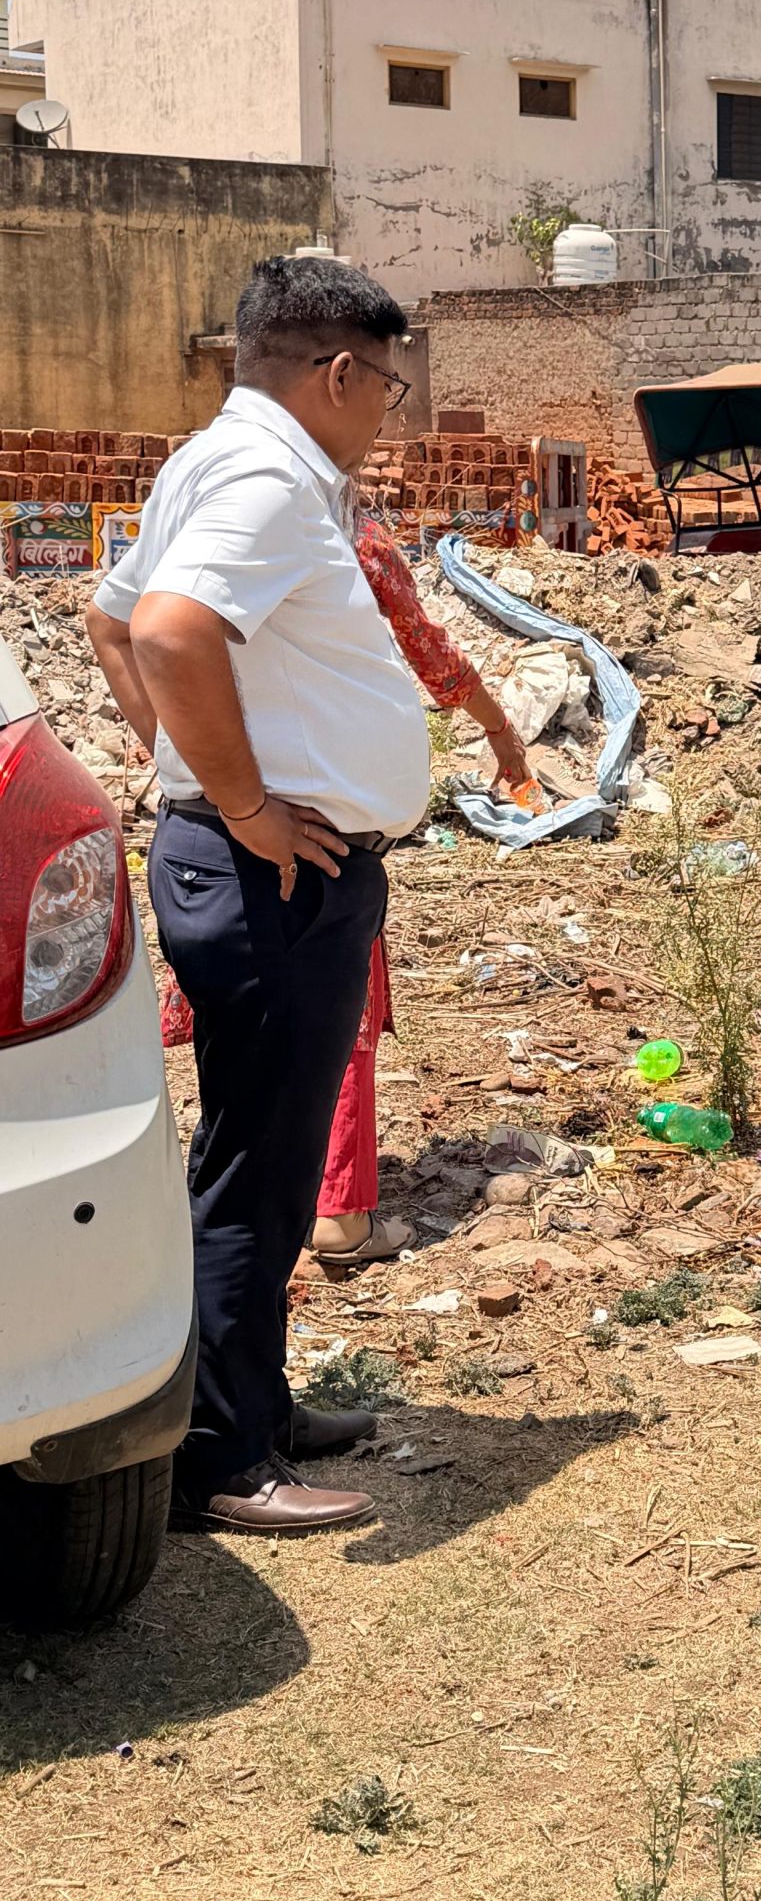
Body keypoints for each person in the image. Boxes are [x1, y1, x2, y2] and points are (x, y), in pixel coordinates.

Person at [87, 254, 432, 1535]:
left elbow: (110, 620)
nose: (387, 410)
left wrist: (186, 772)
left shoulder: (212, 458)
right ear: (338, 372)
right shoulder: (269, 479)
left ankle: (250, 1405)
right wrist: (238, 804)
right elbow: (167, 631)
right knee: (257, 1170)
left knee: (255, 1158)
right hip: (273, 875)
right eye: (387, 386)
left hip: (254, 864)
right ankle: (223, 1461)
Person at [153, 507, 534, 1273]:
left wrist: (200, 773)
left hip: (217, 825)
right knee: (337, 1014)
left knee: (238, 1023)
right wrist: (500, 730)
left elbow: (123, 629)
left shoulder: (206, 525)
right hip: (313, 832)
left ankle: (241, 1212)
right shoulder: (346, 535)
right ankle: (338, 1212)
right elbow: (430, 651)